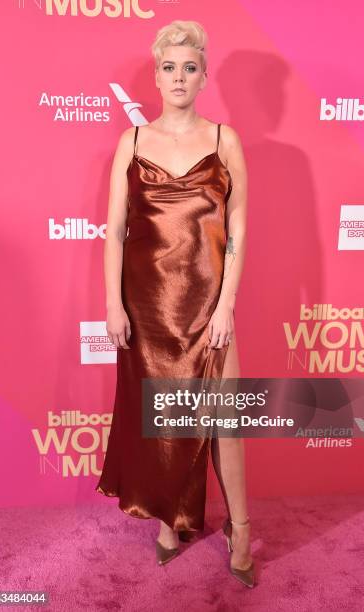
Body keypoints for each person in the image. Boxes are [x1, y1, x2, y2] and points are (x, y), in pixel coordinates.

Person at [95, 20, 254, 588]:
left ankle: (240, 527)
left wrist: (226, 303)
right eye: (169, 67)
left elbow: (238, 223)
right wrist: (113, 306)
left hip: (210, 305)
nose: (179, 76)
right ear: (156, 76)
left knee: (226, 423)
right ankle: (169, 522)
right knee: (161, 420)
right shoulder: (133, 141)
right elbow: (115, 232)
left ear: (204, 76)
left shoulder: (223, 140)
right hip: (148, 309)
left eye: (190, 67)